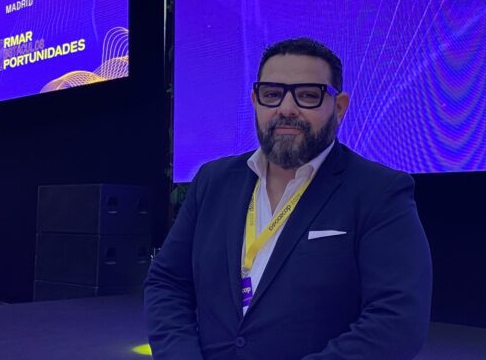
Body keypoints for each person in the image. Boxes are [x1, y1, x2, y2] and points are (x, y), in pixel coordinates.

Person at [144, 37, 432, 359]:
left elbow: (397, 320)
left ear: (339, 108)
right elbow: (168, 283)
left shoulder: (379, 191)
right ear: (255, 101)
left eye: (307, 95)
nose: (286, 108)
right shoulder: (213, 181)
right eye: (272, 94)